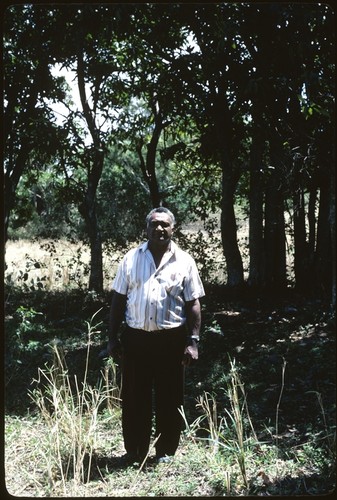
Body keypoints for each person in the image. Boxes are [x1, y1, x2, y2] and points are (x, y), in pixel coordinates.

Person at [106, 207, 205, 464]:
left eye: (165, 225)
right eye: (154, 224)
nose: (159, 229)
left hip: (170, 340)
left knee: (169, 397)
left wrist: (192, 342)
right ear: (146, 228)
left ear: (173, 229)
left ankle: (166, 451)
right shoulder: (130, 259)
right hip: (136, 339)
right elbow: (118, 299)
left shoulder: (185, 261)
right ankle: (135, 451)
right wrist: (112, 338)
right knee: (134, 396)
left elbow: (193, 304)